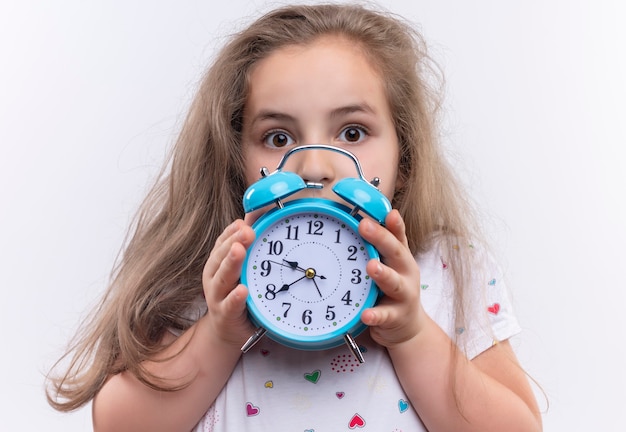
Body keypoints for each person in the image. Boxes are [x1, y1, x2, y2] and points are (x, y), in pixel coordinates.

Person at [46, 3, 542, 431]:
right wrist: (219, 333)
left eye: (352, 132)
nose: (314, 165)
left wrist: (413, 333)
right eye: (279, 138)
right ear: (234, 157)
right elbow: (119, 424)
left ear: (404, 157)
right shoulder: (212, 284)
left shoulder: (448, 270)